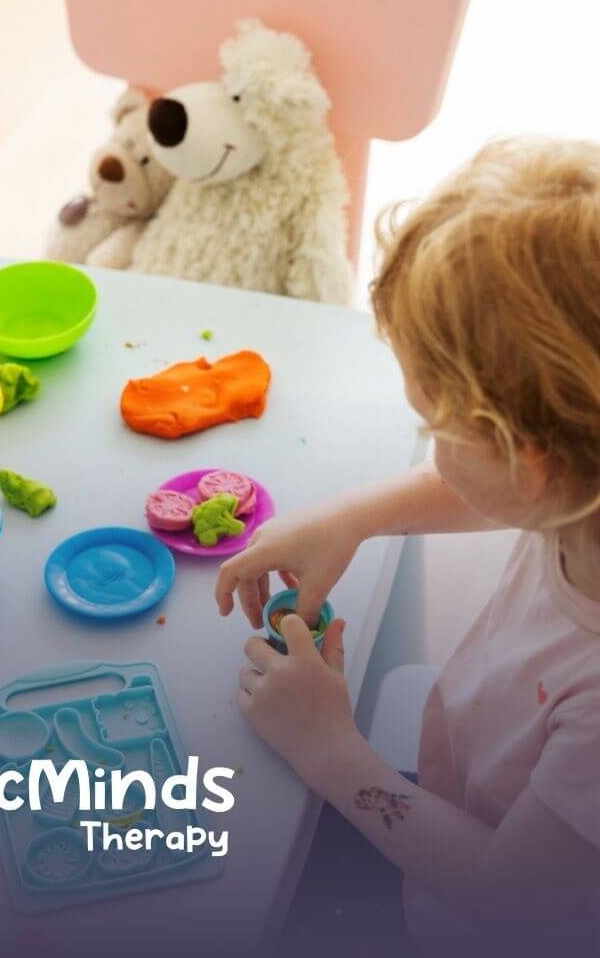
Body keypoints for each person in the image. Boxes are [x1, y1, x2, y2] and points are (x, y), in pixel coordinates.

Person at [216, 137, 600, 945]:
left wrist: (330, 751)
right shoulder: (576, 485)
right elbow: (524, 495)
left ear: (524, 457)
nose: (428, 444)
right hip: (474, 793)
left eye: (436, 426)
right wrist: (356, 515)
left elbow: (512, 897)